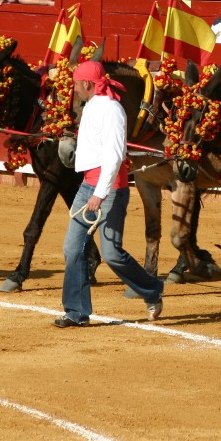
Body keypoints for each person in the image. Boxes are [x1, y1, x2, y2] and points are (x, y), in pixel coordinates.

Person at [54, 61, 164, 327]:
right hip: (88, 186)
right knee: (72, 249)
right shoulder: (91, 106)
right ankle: (76, 312)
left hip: (110, 189)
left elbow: (114, 157)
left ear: (87, 84)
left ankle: (152, 289)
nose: (74, 89)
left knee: (112, 254)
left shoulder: (112, 109)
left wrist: (99, 193)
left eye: (76, 84)